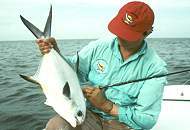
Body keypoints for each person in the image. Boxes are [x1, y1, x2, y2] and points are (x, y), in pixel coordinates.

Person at [37, 1, 167, 130]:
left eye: (128, 34)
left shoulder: (155, 68)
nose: (121, 36)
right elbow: (73, 71)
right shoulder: (99, 47)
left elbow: (147, 119)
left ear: (148, 32)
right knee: (56, 126)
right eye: (120, 29)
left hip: (125, 125)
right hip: (90, 116)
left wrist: (106, 105)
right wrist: (55, 52)